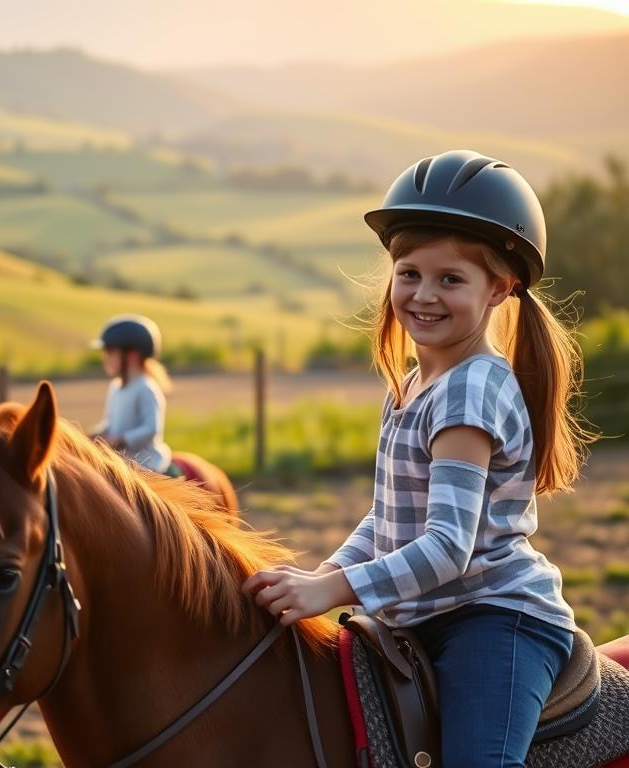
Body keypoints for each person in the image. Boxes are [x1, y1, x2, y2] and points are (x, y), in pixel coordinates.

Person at [243, 150, 593, 767]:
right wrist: (322, 574)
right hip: (424, 612)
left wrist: (332, 588)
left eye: (450, 279)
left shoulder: (467, 394)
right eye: (409, 273)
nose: (423, 295)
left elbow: (446, 548)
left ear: (500, 288)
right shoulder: (410, 384)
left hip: (495, 620)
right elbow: (387, 518)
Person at [90, 314, 179, 476]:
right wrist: (95, 434)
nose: (105, 357)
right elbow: (110, 423)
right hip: (123, 460)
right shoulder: (115, 387)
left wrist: (121, 439)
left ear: (132, 356)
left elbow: (151, 429)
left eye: (110, 351)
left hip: (147, 463)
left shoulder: (146, 387)